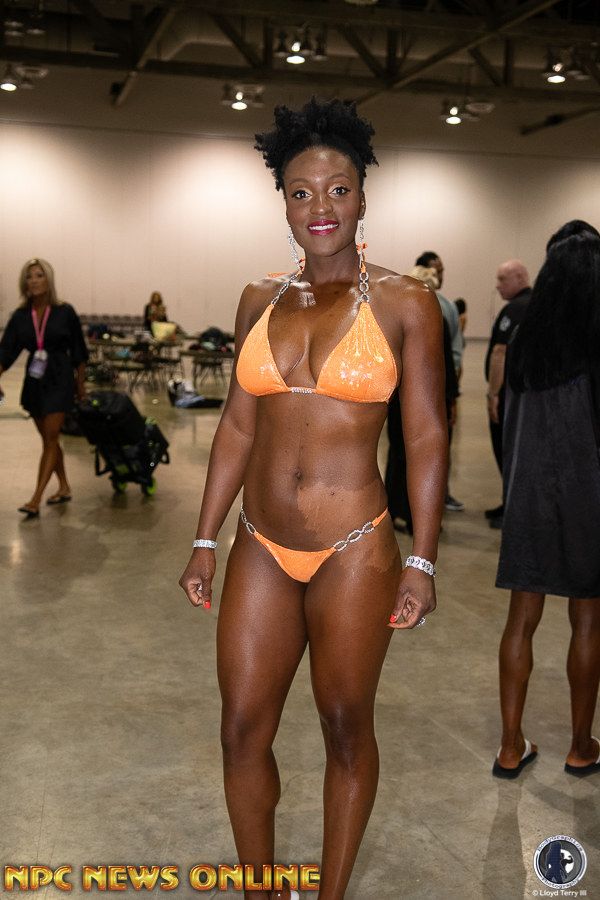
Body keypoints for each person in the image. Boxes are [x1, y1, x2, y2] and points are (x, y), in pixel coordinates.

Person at [179, 98, 448, 900]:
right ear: (284, 205)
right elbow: (237, 426)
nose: (320, 206)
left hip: (353, 548)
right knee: (240, 729)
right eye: (301, 192)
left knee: (344, 726)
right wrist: (204, 539)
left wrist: (423, 559)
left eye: (337, 189)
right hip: (261, 543)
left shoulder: (406, 302)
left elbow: (425, 435)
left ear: (362, 197)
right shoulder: (258, 299)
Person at [492, 220, 600, 780]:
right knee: (588, 621)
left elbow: (508, 420)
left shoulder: (527, 337)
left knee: (521, 619)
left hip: (528, 491)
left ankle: (510, 746)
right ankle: (581, 745)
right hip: (589, 495)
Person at [0, 258, 88, 517]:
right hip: (34, 381)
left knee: (50, 438)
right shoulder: (20, 316)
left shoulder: (64, 311)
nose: (34, 281)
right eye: (29, 277)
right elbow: (6, 351)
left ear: (48, 280)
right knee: (50, 439)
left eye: (39, 275)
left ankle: (35, 498)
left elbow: (79, 352)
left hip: (60, 378)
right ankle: (64, 486)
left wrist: (80, 386)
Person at [385, 266, 458, 534]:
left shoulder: (396, 318)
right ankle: (410, 515)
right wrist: (451, 398)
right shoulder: (433, 319)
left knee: (400, 454)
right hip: (420, 399)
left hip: (397, 399)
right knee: (417, 455)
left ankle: (397, 510)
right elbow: (445, 367)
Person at [415, 251, 463, 512]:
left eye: (442, 270)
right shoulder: (410, 305)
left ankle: (439, 496)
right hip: (416, 393)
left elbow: (455, 352)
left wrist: (450, 394)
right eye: (437, 271)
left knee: (438, 447)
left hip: (440, 391)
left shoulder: (448, 309)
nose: (441, 276)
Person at [484, 260, 531, 528]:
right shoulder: (536, 304)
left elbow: (499, 353)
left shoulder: (513, 310)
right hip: (524, 395)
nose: (498, 285)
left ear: (520, 277)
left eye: (503, 279)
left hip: (506, 396)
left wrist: (493, 394)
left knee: (506, 450)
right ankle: (509, 503)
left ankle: (512, 509)